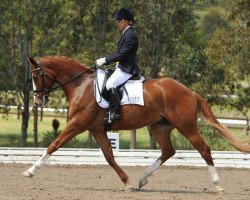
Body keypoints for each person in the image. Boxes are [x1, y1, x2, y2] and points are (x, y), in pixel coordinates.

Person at [95, 8, 139, 124]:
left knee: (110, 84)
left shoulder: (130, 35)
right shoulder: (126, 33)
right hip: (122, 67)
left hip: (127, 69)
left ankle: (115, 113)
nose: (117, 23)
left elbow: (121, 54)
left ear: (124, 21)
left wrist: (105, 60)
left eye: (118, 21)